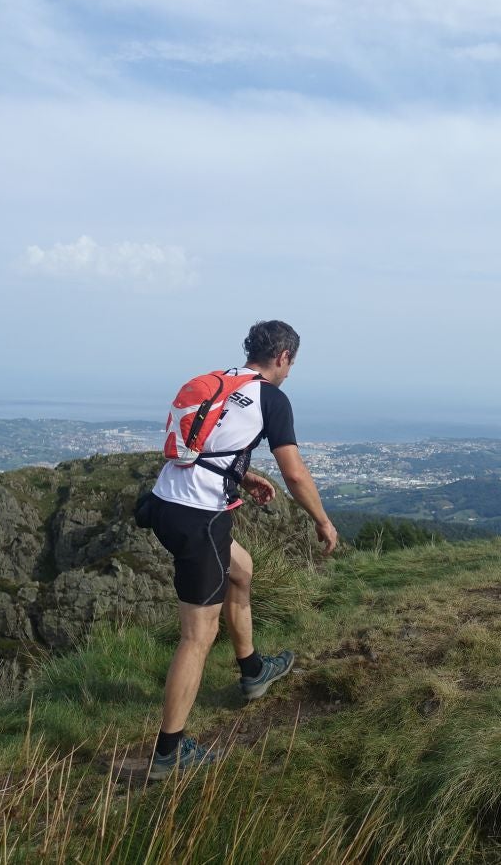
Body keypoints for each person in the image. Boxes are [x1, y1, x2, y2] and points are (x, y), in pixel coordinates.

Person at [145, 319, 339, 780]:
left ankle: (253, 670)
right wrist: (322, 520)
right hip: (199, 518)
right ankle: (169, 752)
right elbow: (294, 473)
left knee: (242, 570)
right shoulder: (271, 398)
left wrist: (241, 474)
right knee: (196, 636)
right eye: (293, 363)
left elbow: (201, 446)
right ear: (284, 357)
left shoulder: (224, 384)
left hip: (164, 502)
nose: (290, 371)